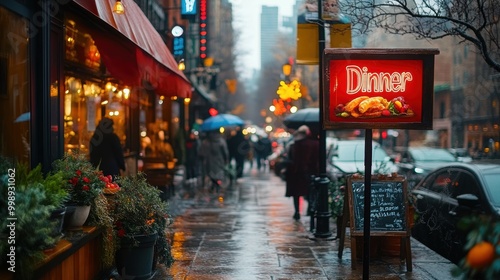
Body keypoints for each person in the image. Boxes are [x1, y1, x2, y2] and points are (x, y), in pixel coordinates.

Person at [285, 125, 319, 220]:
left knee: (297, 194)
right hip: (310, 172)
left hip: (296, 172)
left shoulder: (294, 145)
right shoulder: (315, 144)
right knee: (310, 192)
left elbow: (290, 159)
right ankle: (309, 209)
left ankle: (297, 211)